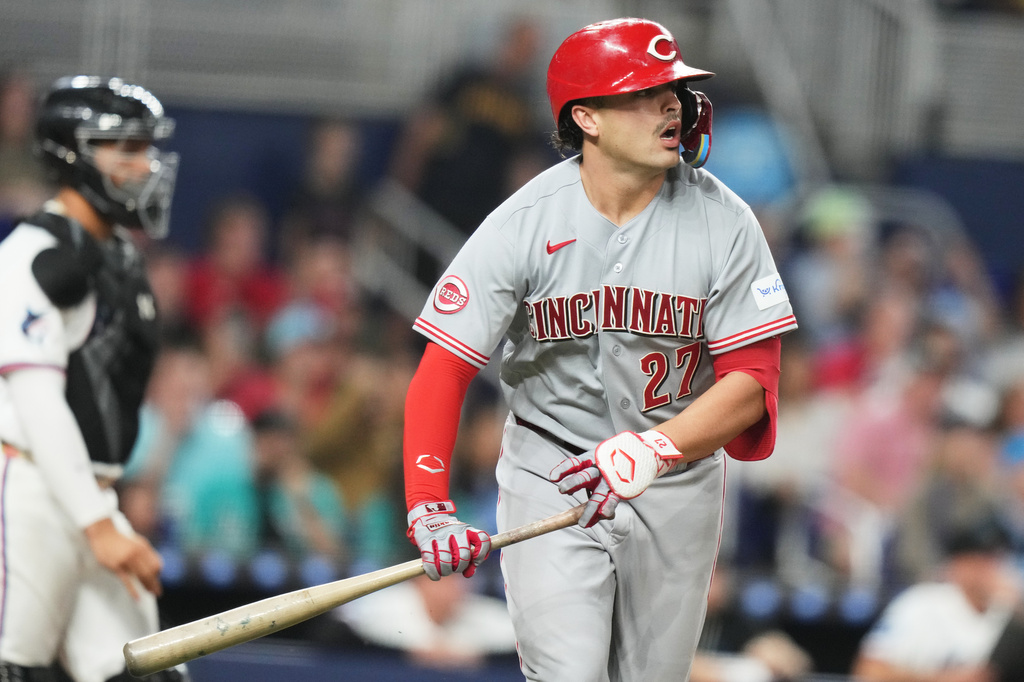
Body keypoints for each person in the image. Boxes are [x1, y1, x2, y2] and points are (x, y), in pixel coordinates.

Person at [400, 18, 798, 681]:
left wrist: (656, 447)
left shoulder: (726, 223)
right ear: (586, 117)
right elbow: (443, 367)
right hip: (552, 472)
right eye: (644, 94)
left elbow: (753, 383)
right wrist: (428, 505)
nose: (671, 106)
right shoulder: (524, 223)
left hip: (676, 478)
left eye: (673, 91)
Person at [0, 76, 187, 681]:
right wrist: (99, 525)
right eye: (125, 149)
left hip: (88, 496)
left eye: (146, 148)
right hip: (24, 487)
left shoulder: (120, 256)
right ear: (71, 155)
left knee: (146, 672)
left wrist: (100, 516)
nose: (145, 165)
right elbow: (38, 405)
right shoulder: (30, 256)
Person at [851, 514, 1023, 682]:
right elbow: (869, 671)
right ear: (957, 564)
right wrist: (944, 678)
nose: (992, 569)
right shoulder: (921, 603)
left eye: (998, 559)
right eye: (981, 561)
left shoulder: (1011, 611)